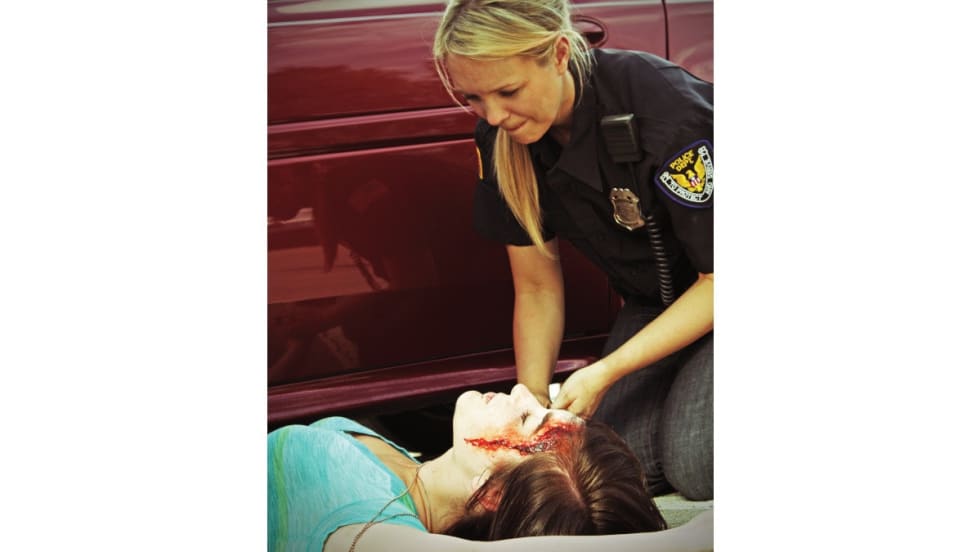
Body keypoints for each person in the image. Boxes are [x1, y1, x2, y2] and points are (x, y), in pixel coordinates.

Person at [432, 0, 713, 499]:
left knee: (694, 464)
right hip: (662, 302)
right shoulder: (503, 140)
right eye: (473, 98)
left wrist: (606, 371)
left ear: (559, 53)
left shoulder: (664, 108)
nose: (493, 115)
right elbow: (538, 288)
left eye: (508, 91)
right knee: (613, 466)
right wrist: (532, 406)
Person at [268, 384, 712, 552]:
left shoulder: (369, 530)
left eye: (525, 419)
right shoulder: (411, 473)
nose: (522, 390)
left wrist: (690, 539)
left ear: (493, 495)